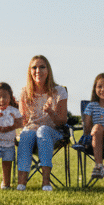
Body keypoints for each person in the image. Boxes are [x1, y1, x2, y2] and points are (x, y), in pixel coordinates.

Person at [16, 55, 67, 191]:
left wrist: (51, 112)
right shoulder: (25, 92)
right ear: (30, 71)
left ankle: (46, 182)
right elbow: (23, 122)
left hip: (53, 132)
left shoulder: (59, 91)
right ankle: (21, 183)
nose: (38, 71)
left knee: (42, 130)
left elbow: (62, 121)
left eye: (42, 67)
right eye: (34, 67)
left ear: (48, 70)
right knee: (27, 133)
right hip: (31, 133)